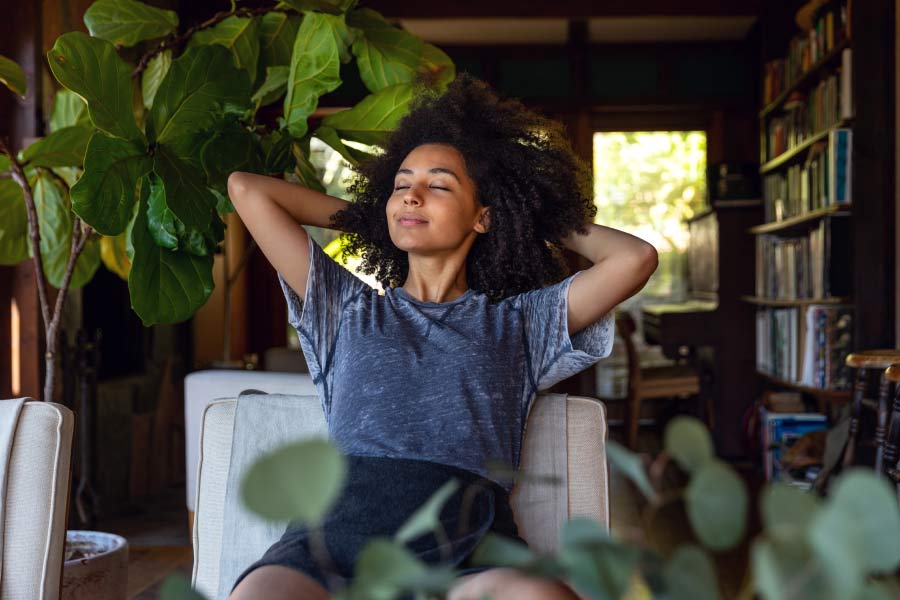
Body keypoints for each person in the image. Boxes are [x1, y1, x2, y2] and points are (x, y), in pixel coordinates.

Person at [226, 74, 658, 600]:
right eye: (401, 184)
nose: (411, 195)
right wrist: (375, 217)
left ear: (482, 216)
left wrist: (527, 214)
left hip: (466, 548)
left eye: (438, 185)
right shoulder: (346, 308)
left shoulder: (521, 323)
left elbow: (634, 259)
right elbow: (247, 190)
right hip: (332, 540)